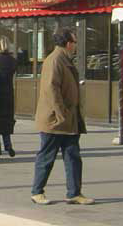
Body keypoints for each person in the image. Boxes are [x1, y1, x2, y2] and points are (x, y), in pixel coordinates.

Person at [31, 28, 94, 206]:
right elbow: (51, 89)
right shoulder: (55, 60)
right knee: (47, 156)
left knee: (73, 156)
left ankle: (74, 193)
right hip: (55, 120)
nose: (75, 46)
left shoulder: (64, 59)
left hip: (69, 119)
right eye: (74, 42)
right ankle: (37, 192)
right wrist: (62, 114)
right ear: (68, 43)